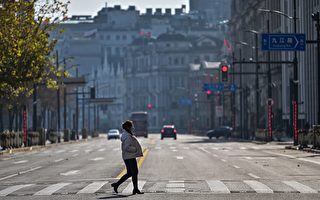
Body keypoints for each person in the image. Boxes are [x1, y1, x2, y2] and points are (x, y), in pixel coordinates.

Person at [111, 120, 144, 195]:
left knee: (130, 173)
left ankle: (117, 185)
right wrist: (134, 149)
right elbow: (126, 147)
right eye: (131, 126)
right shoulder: (127, 136)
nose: (132, 127)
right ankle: (135, 189)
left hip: (128, 156)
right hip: (129, 156)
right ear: (128, 127)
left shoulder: (127, 134)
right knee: (134, 172)